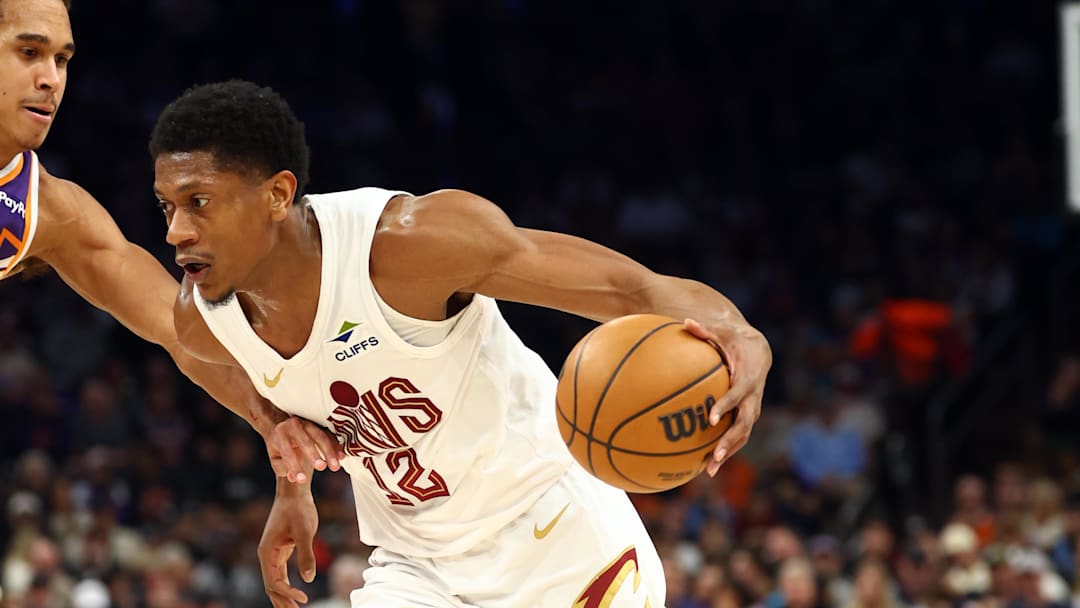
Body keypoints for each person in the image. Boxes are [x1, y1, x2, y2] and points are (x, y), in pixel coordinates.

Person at [150, 79, 772, 607]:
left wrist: (741, 335)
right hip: (418, 567)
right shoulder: (204, 318)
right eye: (167, 207)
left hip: (559, 538)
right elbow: (212, 365)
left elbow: (631, 289)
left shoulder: (407, 248)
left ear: (277, 195)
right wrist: (281, 453)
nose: (177, 232)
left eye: (198, 203)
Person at [0, 0, 342, 477]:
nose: (50, 79)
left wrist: (272, 421)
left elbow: (179, 330)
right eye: (29, 52)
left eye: (60, 60)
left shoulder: (49, 209)